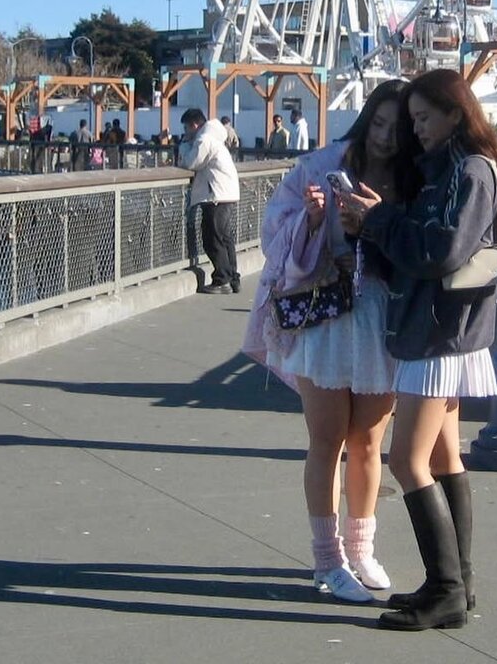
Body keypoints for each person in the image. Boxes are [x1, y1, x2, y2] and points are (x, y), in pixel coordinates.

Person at [339, 69, 497, 633]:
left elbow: (439, 252)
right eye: (413, 120)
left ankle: (446, 589)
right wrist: (369, 224)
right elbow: (419, 250)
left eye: (424, 118)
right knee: (442, 459)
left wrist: (380, 219)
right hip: (444, 328)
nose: (417, 130)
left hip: (437, 333)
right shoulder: (449, 170)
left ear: (456, 112)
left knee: (407, 462)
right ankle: (457, 581)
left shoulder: (469, 171)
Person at [242, 80, 407, 604]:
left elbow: (418, 246)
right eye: (378, 123)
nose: (385, 136)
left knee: (369, 442)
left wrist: (379, 219)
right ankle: (327, 559)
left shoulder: (414, 173)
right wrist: (313, 219)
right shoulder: (320, 165)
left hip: (380, 313)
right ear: (365, 120)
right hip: (325, 312)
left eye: (397, 127)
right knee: (327, 439)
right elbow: (274, 232)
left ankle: (362, 549)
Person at [179, 108, 241, 294]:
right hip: (226, 192)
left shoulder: (204, 139)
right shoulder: (215, 137)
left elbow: (191, 163)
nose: (185, 132)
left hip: (215, 194)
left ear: (194, 125)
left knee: (212, 238)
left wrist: (184, 146)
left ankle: (222, 280)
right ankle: (233, 278)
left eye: (186, 128)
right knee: (225, 237)